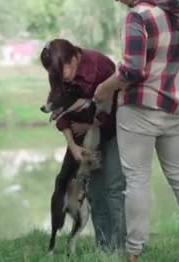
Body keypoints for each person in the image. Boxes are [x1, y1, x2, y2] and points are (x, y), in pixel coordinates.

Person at [93, 0, 179, 261]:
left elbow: (132, 71)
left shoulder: (138, 17)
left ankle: (134, 252)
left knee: (137, 180)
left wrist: (104, 89)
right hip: (175, 108)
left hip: (141, 111)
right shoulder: (176, 13)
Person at [40, 38, 126, 251]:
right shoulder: (57, 73)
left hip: (112, 130)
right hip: (84, 141)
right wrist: (73, 146)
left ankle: (121, 246)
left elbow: (115, 107)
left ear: (74, 57)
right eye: (55, 75)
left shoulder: (101, 66)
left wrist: (90, 125)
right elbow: (61, 115)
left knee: (114, 186)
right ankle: (104, 246)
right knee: (95, 192)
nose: (61, 78)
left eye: (64, 71)